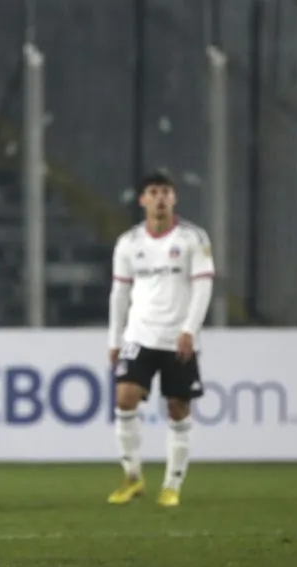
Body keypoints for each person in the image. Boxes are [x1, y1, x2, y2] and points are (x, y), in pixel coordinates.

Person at [107, 170, 215, 508]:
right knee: (125, 397)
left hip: (178, 337)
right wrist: (115, 339)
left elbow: (203, 287)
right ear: (142, 200)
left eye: (166, 192)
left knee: (178, 407)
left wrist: (190, 330)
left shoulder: (193, 239)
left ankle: (172, 484)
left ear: (174, 198)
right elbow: (119, 294)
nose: (160, 198)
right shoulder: (129, 243)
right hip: (140, 334)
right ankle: (132, 476)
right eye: (153, 192)